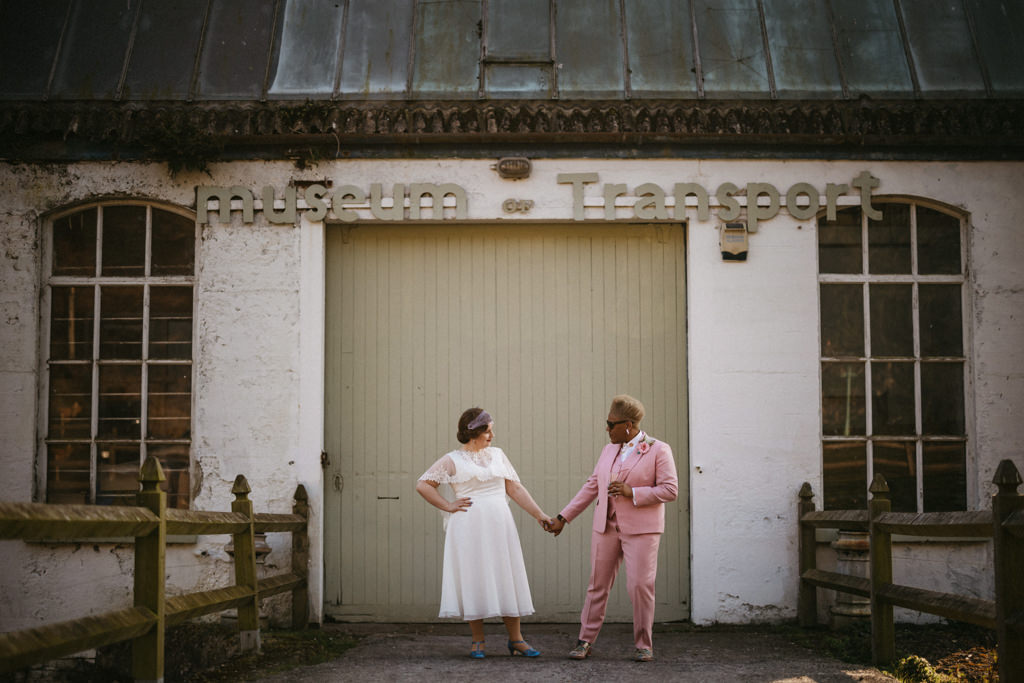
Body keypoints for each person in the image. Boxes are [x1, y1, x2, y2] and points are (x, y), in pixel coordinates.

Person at [545, 394, 678, 662]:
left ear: (628, 425)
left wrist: (633, 492)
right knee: (597, 585)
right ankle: (585, 640)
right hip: (605, 526)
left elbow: (670, 490)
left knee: (640, 586)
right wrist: (564, 517)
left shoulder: (658, 449)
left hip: (642, 530)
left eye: (611, 423)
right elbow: (592, 486)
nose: (607, 428)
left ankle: (644, 643)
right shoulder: (608, 450)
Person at [416, 407, 553, 659]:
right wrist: (448, 505)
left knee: (506, 574)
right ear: (475, 431)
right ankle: (478, 640)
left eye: (492, 430)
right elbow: (423, 484)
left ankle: (517, 640)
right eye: (488, 430)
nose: (492, 435)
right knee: (473, 576)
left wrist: (540, 514)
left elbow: (515, 489)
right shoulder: (452, 459)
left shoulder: (498, 455)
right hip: (467, 528)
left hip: (500, 525)